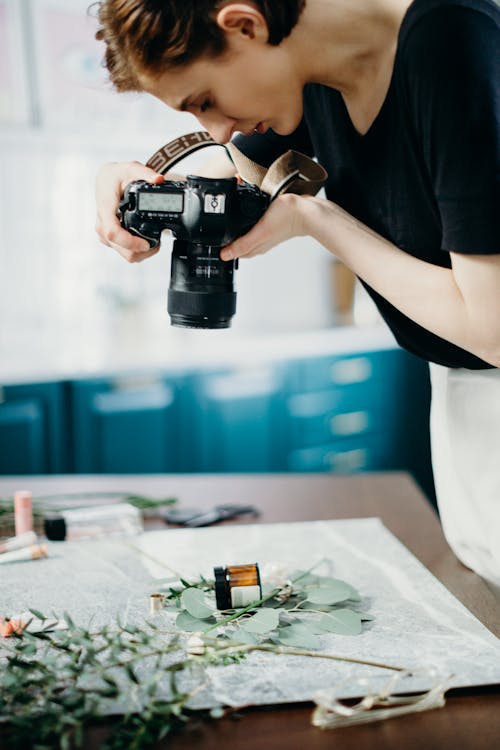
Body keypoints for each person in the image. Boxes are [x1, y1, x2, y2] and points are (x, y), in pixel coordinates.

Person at [94, 0, 500, 587]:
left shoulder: (451, 41)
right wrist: (127, 176)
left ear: (244, 25)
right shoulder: (312, 80)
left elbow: (491, 330)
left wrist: (319, 220)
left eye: (205, 101)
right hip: (457, 392)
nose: (217, 126)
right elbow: (228, 173)